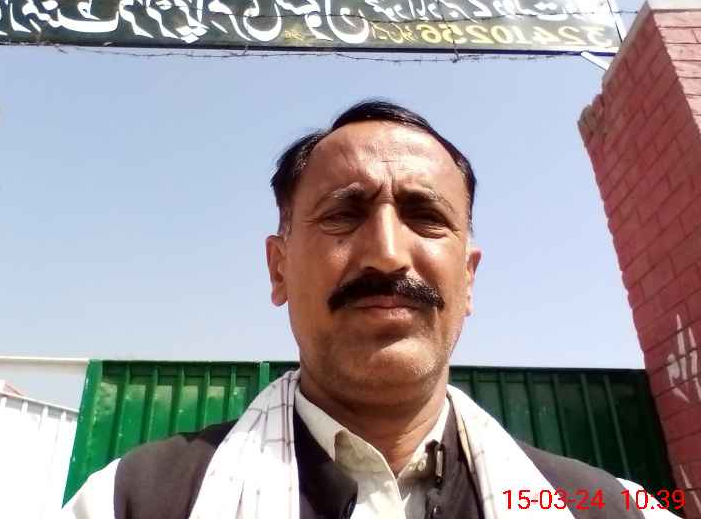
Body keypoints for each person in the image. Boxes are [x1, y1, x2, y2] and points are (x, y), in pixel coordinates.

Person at [61, 100, 676, 519]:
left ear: (468, 279)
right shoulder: (134, 502)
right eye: (343, 214)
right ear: (278, 268)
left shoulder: (608, 507)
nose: (386, 254)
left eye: (425, 217)